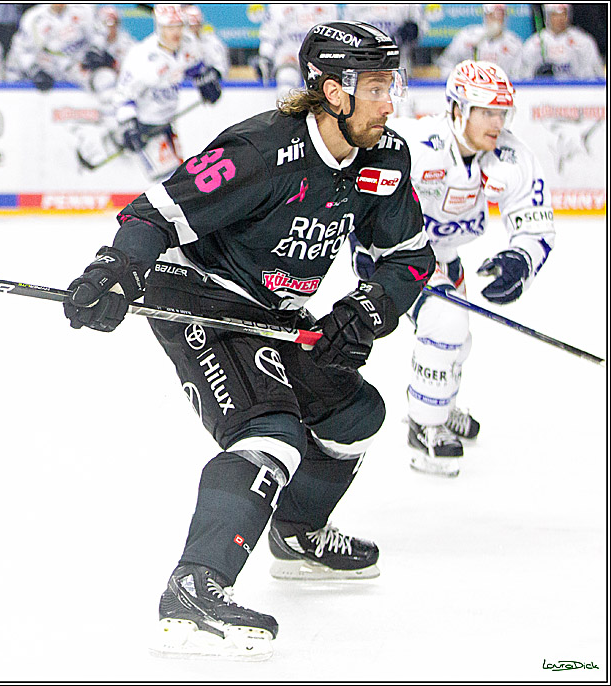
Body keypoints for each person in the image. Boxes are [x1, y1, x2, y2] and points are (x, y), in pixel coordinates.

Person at [63, 21, 433, 659]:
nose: (389, 102)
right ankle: (194, 587)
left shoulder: (385, 157)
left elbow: (409, 257)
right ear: (333, 91)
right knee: (271, 430)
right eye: (376, 87)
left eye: (390, 85)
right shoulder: (263, 149)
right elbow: (158, 211)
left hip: (275, 309)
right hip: (196, 294)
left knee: (353, 413)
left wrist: (369, 306)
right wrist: (116, 269)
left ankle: (297, 534)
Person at [353, 60, 555, 477]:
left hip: (444, 256)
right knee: (447, 324)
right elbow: (358, 187)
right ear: (457, 109)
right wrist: (361, 245)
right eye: (486, 112)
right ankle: (425, 426)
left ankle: (441, 404)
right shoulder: (415, 142)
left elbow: (535, 219)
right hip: (399, 256)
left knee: (458, 341)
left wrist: (522, 260)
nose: (496, 122)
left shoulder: (511, 155)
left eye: (502, 112)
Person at [108, 4, 222, 181]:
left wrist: (206, 81)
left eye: (179, 26)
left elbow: (195, 68)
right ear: (159, 27)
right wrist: (129, 125)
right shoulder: (141, 57)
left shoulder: (188, 44)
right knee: (168, 181)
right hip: (145, 127)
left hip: (167, 123)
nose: (175, 32)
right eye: (169, 27)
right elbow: (123, 97)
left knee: (181, 176)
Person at [4, 4, 107, 92]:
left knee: (105, 79)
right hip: (48, 68)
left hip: (78, 64)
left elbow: (99, 33)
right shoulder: (33, 17)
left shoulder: (83, 9)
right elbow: (22, 49)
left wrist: (95, 50)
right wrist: (35, 71)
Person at [257, 5, 339, 90]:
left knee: (324, 82)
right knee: (287, 75)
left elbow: (335, 33)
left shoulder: (329, 5)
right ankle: (285, 101)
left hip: (317, 52)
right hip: (289, 50)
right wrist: (265, 55)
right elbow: (269, 34)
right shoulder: (277, 6)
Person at [519, 4, 605, 80]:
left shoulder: (583, 42)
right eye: (555, 15)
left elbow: (595, 74)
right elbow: (523, 75)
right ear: (547, 16)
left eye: (563, 14)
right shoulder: (534, 43)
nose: (560, 19)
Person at [436, 4, 523, 78]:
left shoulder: (514, 43)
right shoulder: (467, 37)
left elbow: (519, 75)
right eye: (493, 16)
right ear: (486, 16)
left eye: (500, 16)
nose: (497, 21)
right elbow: (446, 64)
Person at [183, 5, 230, 80]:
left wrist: (209, 73)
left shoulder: (212, 42)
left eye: (196, 25)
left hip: (209, 85)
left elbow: (221, 69)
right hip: (184, 85)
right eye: (189, 26)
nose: (193, 28)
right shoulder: (177, 44)